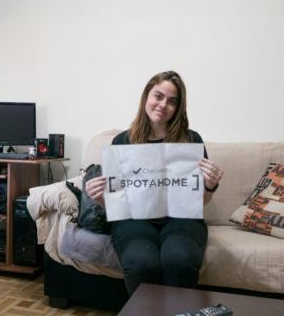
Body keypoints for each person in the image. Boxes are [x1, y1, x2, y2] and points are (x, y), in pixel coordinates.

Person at [85, 70, 223, 295]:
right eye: (158, 96)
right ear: (146, 97)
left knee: (180, 259)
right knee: (142, 262)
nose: (163, 104)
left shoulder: (191, 140)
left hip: (182, 219)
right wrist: (101, 198)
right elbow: (114, 204)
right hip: (134, 220)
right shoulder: (122, 141)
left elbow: (202, 201)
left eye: (172, 101)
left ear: (178, 107)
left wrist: (210, 185)